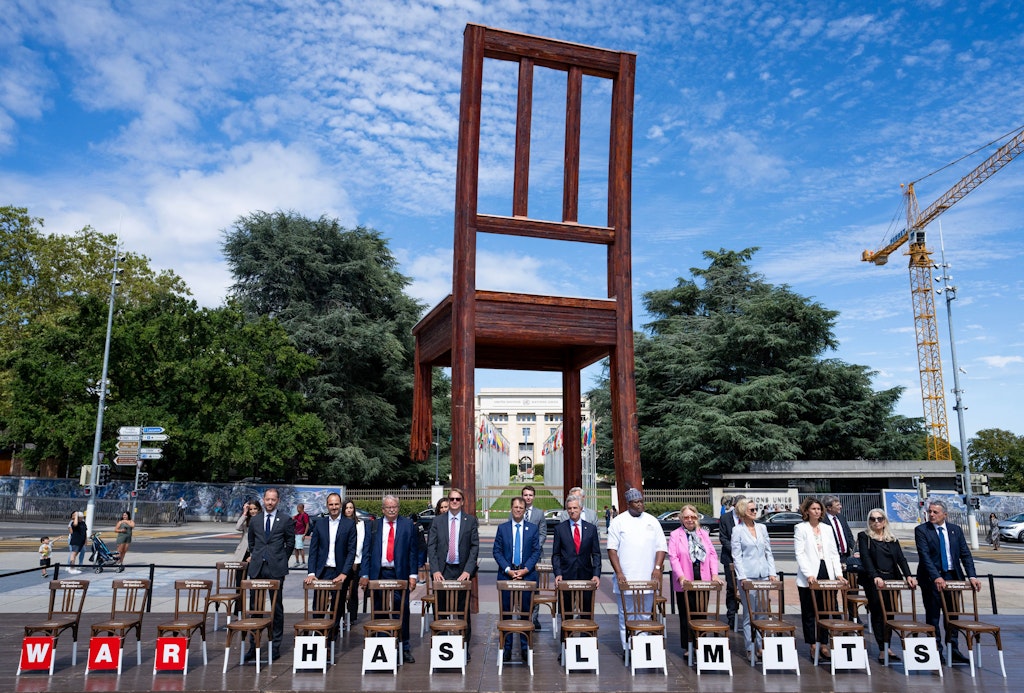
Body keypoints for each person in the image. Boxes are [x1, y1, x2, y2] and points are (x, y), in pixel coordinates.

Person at [915, 499, 980, 664]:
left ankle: (953, 648)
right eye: (929, 511)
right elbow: (925, 556)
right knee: (934, 616)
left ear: (945, 514)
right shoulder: (922, 530)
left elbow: (965, 554)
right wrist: (936, 576)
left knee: (952, 615)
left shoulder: (955, 530)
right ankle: (936, 650)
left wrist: (972, 575)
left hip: (953, 577)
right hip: (932, 579)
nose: (931, 515)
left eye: (935, 512)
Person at [607, 488, 667, 654]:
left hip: (647, 578)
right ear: (628, 504)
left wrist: (657, 568)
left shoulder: (652, 521)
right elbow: (612, 550)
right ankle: (628, 648)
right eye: (636, 502)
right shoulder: (618, 521)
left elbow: (661, 547)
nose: (640, 504)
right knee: (626, 615)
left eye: (641, 501)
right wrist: (619, 572)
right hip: (625, 579)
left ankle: (641, 649)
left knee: (645, 615)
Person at [361, 495, 420, 663]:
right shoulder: (373, 526)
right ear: (382, 509)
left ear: (398, 508)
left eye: (394, 506)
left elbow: (412, 552)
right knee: (379, 609)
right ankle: (381, 644)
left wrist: (413, 575)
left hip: (399, 574)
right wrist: (364, 575)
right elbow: (366, 551)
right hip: (378, 574)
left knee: (401, 611)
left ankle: (404, 646)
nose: (392, 509)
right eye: (388, 507)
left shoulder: (408, 525)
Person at [859, 508, 916, 662]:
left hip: (892, 579)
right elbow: (865, 558)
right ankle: (883, 648)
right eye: (872, 519)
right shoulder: (864, 537)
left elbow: (901, 559)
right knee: (878, 612)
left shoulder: (892, 538)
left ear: (885, 521)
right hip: (875, 580)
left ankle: (887, 644)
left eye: (879, 519)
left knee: (890, 613)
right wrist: (875, 576)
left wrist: (909, 575)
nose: (876, 522)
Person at [427, 487, 479, 654]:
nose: (454, 502)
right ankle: (442, 649)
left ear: (462, 502)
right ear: (448, 501)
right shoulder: (438, 521)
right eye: (452, 499)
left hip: (461, 572)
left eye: (458, 499)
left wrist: (467, 571)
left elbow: (474, 548)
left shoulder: (470, 521)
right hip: (442, 572)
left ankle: (463, 648)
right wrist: (435, 570)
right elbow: (432, 547)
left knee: (462, 612)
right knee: (440, 610)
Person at [246, 488, 295, 662]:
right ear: (263, 500)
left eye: (273, 500)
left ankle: (275, 646)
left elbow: (290, 542)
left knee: (276, 609)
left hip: (276, 568)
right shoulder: (255, 520)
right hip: (258, 568)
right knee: (255, 608)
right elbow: (251, 541)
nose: (270, 502)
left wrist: (282, 558)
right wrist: (257, 555)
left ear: (278, 501)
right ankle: (254, 645)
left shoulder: (286, 520)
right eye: (267, 499)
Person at [794, 496, 845, 661]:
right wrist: (808, 573)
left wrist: (838, 574)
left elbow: (833, 553)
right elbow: (799, 553)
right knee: (809, 611)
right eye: (814, 509)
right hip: (809, 574)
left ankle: (823, 643)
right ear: (807, 511)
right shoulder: (800, 528)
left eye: (819, 509)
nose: (817, 511)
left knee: (825, 609)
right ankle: (812, 644)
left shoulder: (827, 528)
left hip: (826, 572)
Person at [668, 504, 722, 654]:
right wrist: (681, 577)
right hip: (685, 579)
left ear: (697, 518)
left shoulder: (703, 534)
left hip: (702, 577)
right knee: (686, 613)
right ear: (681, 519)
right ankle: (688, 645)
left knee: (700, 612)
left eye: (692, 517)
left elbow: (712, 554)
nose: (690, 520)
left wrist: (715, 575)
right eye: (686, 517)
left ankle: (700, 644)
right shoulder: (675, 535)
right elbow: (673, 557)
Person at [493, 496, 542, 662]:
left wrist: (525, 569)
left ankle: (524, 648)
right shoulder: (503, 528)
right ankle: (506, 649)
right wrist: (508, 570)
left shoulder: (533, 529)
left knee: (525, 614)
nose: (518, 510)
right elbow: (497, 551)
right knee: (506, 614)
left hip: (526, 576)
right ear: (511, 508)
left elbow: (536, 551)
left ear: (525, 510)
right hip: (506, 575)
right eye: (515, 507)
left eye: (521, 508)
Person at [304, 493, 358, 640]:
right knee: (319, 607)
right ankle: (318, 639)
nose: (334, 507)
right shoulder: (320, 524)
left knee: (337, 608)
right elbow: (313, 551)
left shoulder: (349, 524)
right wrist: (311, 572)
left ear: (340, 505)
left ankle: (330, 640)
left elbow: (351, 551)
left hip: (340, 573)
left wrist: (345, 573)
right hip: (322, 572)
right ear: (327, 506)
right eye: (331, 504)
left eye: (336, 504)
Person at [731, 498, 777, 659]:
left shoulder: (762, 528)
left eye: (755, 509)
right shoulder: (738, 530)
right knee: (749, 613)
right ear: (743, 512)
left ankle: (761, 645)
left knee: (763, 612)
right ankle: (750, 647)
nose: (755, 512)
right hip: (748, 576)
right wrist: (742, 577)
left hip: (763, 574)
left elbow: (768, 551)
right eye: (752, 510)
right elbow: (736, 556)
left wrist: (772, 572)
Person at [551, 495, 601, 615]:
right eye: (569, 508)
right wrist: (558, 573)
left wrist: (596, 574)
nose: (572, 511)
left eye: (575, 508)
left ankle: (587, 634)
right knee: (565, 613)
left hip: (586, 576)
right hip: (566, 576)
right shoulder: (560, 529)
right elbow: (556, 554)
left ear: (581, 508)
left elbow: (596, 554)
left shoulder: (591, 528)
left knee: (586, 612)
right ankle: (566, 635)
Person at [716, 494, 746, 628]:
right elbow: (723, 538)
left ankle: (748, 617)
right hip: (730, 559)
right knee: (732, 588)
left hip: (747, 560)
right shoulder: (725, 518)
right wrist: (736, 552)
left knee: (746, 589)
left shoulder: (747, 518)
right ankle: (731, 617)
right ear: (734, 505)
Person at [521, 485, 546, 630]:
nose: (528, 497)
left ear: (534, 497)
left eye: (530, 495)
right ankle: (521, 615)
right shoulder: (516, 511)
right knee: (520, 586)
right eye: (525, 495)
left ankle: (534, 617)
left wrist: (535, 547)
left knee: (535, 588)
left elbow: (543, 533)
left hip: (535, 555)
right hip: (518, 556)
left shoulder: (539, 514)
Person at [340, 499, 367, 626]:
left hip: (356, 561)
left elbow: (360, 541)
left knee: (353, 591)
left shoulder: (360, 523)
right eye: (347, 508)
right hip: (341, 562)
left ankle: (352, 617)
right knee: (341, 591)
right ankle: (339, 617)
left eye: (351, 507)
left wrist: (355, 559)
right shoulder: (339, 522)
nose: (349, 510)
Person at [822, 495, 856, 563]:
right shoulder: (822, 521)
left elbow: (849, 535)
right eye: (837, 505)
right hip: (832, 557)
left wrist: (855, 550)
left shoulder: (841, 517)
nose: (840, 507)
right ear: (829, 508)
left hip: (846, 556)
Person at [292, 503, 310, 568]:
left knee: (300, 548)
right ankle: (297, 561)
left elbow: (307, 525)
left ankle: (303, 562)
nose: (297, 509)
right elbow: (293, 518)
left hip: (301, 534)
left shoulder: (305, 515)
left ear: (301, 508)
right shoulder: (298, 515)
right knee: (296, 548)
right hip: (296, 533)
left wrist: (304, 534)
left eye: (298, 508)